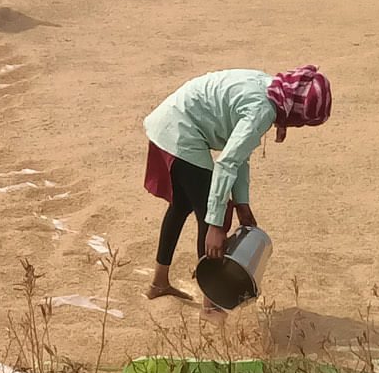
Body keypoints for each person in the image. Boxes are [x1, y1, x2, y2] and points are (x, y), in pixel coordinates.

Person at [141, 65, 333, 312]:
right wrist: (214, 225)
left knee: (181, 205)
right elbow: (228, 162)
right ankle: (211, 308)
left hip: (170, 120)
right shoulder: (262, 110)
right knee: (210, 217)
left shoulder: (272, 88)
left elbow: (238, 150)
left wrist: (243, 202)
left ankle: (159, 283)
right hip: (182, 131)